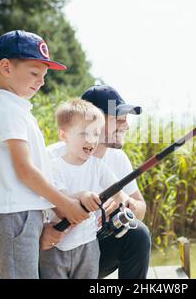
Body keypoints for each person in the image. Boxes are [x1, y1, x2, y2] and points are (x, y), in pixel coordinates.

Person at [0, 30, 88, 279]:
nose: (41, 81)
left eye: (44, 75)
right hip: (13, 220)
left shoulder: (18, 109)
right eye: (34, 73)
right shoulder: (8, 110)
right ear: (6, 68)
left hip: (21, 217)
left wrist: (56, 206)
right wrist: (65, 205)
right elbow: (25, 171)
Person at [42, 84, 151, 279]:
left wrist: (126, 204)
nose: (126, 126)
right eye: (119, 119)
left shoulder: (118, 158)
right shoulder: (50, 157)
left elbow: (140, 209)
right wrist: (41, 234)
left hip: (91, 249)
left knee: (138, 234)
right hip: (50, 251)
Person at [40, 98, 126, 279]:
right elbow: (62, 202)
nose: (92, 140)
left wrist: (122, 202)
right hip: (56, 247)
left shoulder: (98, 165)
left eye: (96, 134)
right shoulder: (54, 167)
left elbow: (118, 191)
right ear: (64, 135)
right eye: (84, 134)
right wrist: (83, 196)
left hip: (88, 246)